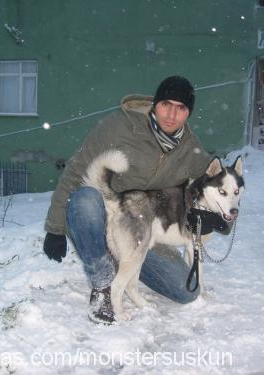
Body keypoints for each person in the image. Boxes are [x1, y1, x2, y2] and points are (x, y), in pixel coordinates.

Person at [43, 76, 213, 325]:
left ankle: (121, 259)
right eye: (166, 104)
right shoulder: (118, 126)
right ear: (155, 103)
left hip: (143, 230)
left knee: (186, 291)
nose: (171, 115)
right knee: (85, 199)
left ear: (189, 113)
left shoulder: (190, 148)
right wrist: (55, 228)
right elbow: (74, 172)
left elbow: (217, 184)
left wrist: (219, 218)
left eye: (181, 108)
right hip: (105, 216)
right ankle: (102, 283)